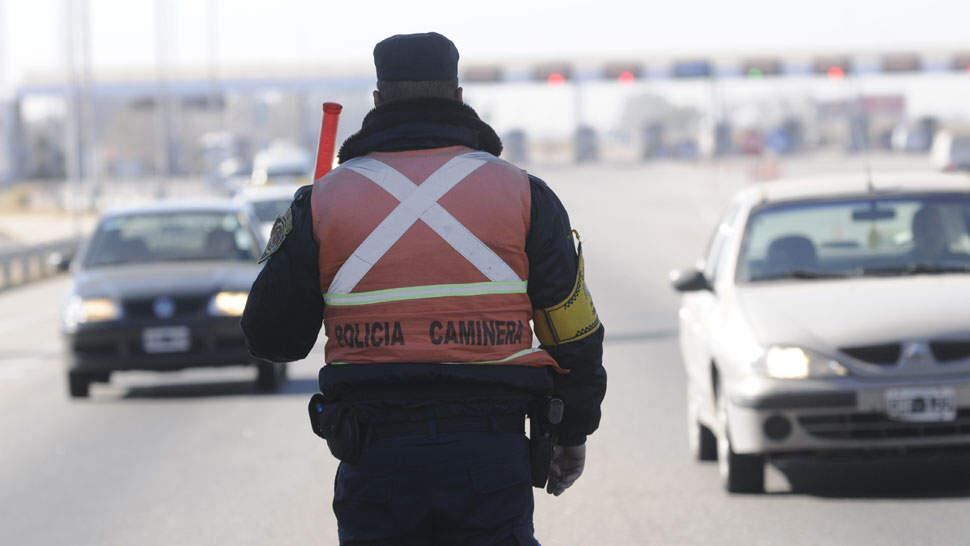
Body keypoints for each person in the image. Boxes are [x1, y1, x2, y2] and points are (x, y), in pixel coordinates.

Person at [242, 32, 606, 545]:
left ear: (377, 101)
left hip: (376, 463)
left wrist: (304, 243)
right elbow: (575, 337)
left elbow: (273, 340)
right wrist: (572, 434)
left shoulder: (324, 201)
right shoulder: (524, 194)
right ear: (458, 97)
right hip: (491, 459)